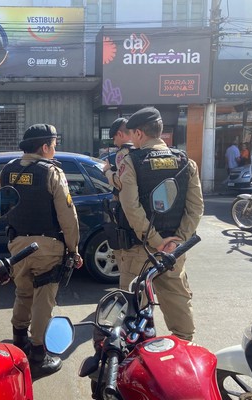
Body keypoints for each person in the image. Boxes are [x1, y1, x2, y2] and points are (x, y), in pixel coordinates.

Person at [0, 123, 83, 378]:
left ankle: (19, 340)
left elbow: (3, 206)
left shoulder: (7, 171)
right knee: (43, 299)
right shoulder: (51, 173)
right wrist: (73, 248)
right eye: (54, 145)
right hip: (47, 247)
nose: (55, 150)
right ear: (44, 147)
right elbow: (67, 215)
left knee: (23, 293)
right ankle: (37, 353)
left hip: (17, 246)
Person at [117, 107, 204, 341]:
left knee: (134, 315)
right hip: (174, 252)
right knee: (179, 307)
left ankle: (138, 365)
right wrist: (177, 242)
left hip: (140, 250)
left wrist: (156, 241)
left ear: (137, 133)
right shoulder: (186, 162)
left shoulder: (131, 160)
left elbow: (131, 207)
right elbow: (196, 208)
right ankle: (185, 355)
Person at [101, 117, 137, 290]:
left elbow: (120, 183)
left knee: (128, 272)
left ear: (120, 134)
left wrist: (108, 172)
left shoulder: (123, 154)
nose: (114, 143)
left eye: (114, 139)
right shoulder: (142, 150)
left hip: (129, 217)